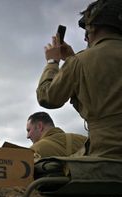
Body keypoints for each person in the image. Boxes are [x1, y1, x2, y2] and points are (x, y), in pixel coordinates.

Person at [36, 0, 122, 159]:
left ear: (92, 28)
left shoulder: (79, 62)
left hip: (107, 159)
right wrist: (71, 59)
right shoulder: (78, 62)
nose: (85, 39)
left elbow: (47, 97)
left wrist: (52, 62)